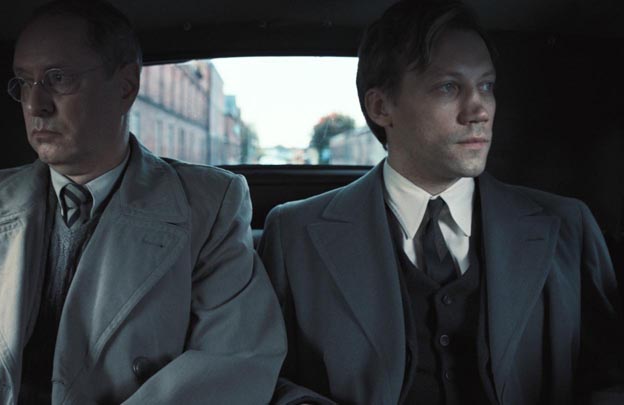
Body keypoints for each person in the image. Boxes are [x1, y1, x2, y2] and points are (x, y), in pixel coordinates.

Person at [0, 0, 286, 403]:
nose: (35, 105)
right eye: (24, 82)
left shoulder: (208, 205)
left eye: (57, 78)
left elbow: (234, 359)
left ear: (125, 87)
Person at [258, 1, 624, 404]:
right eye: (449, 87)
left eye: (486, 86)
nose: (479, 111)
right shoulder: (294, 233)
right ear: (381, 107)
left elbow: (610, 377)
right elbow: (263, 377)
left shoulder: (568, 226)